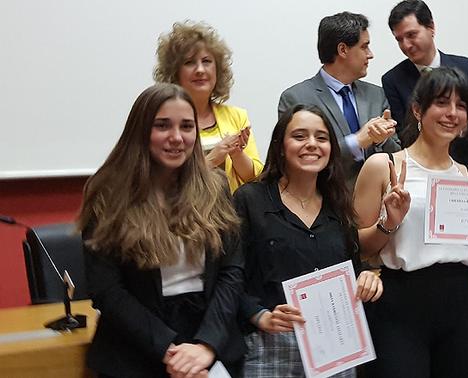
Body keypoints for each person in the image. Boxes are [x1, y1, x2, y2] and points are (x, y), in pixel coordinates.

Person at [353, 67, 468, 377]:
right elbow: (358, 249)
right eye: (442, 103)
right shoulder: (385, 166)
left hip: (463, 298)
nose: (452, 113)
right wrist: (390, 222)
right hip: (401, 302)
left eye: (461, 106)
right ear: (418, 109)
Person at [77, 83, 245, 377]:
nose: (177, 138)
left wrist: (205, 347)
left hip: (209, 340)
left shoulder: (215, 187)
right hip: (136, 348)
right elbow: (107, 290)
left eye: (187, 126)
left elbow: (232, 272)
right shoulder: (107, 193)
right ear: (140, 131)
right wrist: (171, 351)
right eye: (162, 126)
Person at [234, 105, 383, 377]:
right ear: (280, 146)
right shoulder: (250, 199)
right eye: (300, 136)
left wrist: (368, 278)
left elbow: (352, 268)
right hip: (271, 346)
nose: (312, 144)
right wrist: (258, 315)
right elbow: (230, 274)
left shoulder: (339, 205)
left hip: (336, 345)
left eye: (321, 138)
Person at [279, 12, 400, 185]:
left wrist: (381, 139)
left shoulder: (377, 95)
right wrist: (357, 142)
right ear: (342, 49)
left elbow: (397, 154)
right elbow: (295, 163)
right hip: (323, 203)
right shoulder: (295, 98)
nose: (370, 54)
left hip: (376, 202)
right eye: (364, 46)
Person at [382, 0, 468, 173]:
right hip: (420, 173)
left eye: (412, 35)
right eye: (399, 39)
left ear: (431, 27)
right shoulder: (393, 79)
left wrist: (455, 124)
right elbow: (402, 135)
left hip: (467, 173)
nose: (406, 45)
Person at [154, 21, 263, 193]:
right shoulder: (160, 119)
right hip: (180, 213)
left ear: (218, 69)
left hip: (232, 214)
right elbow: (162, 180)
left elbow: (255, 178)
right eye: (189, 62)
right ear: (174, 71)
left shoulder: (237, 116)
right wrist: (213, 158)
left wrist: (236, 154)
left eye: (206, 61)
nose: (200, 70)